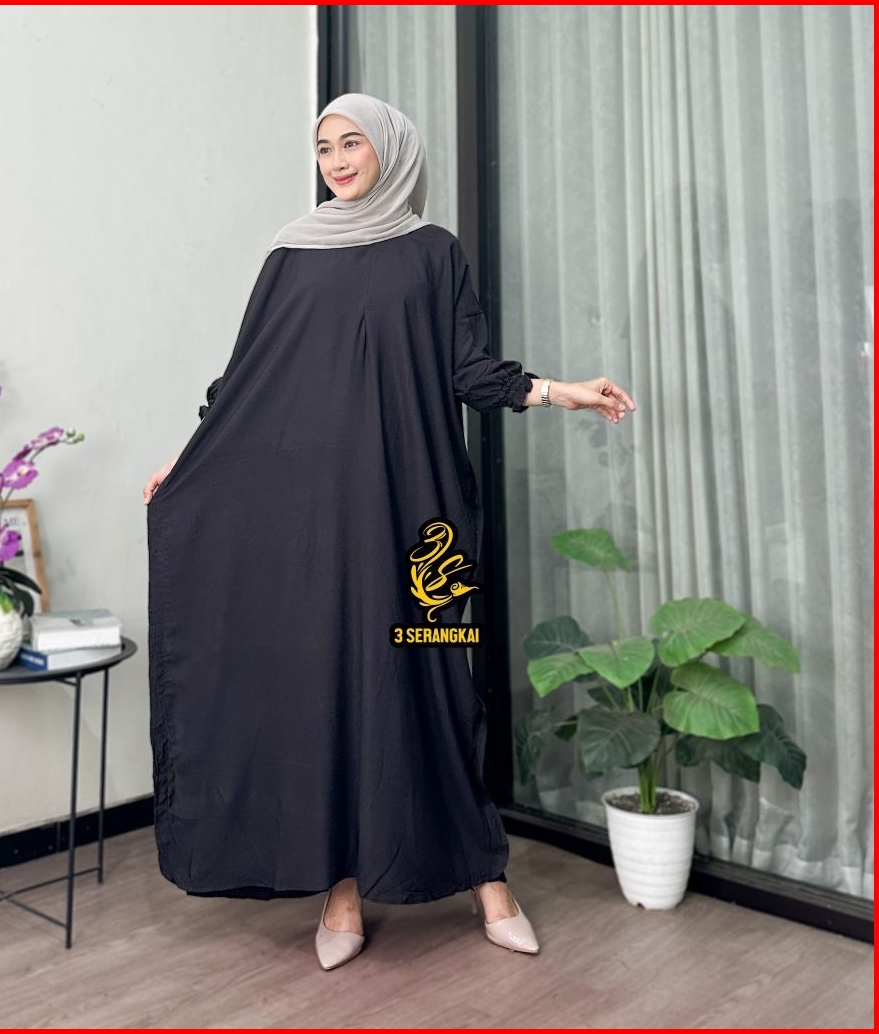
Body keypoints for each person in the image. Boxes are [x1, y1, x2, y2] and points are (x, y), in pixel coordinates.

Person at [143, 93, 635, 971]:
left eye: (353, 143)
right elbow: (246, 380)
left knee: (436, 680)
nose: (336, 160)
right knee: (332, 683)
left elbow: (469, 371)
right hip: (320, 518)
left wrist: (563, 392)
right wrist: (188, 463)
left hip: (417, 510)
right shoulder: (292, 254)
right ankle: (342, 889)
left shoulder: (432, 251)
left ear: (391, 151)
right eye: (323, 146)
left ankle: (487, 879)